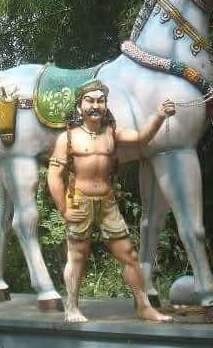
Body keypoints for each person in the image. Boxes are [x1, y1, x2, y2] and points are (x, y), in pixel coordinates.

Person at [47, 79, 175, 323]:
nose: (95, 105)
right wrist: (64, 209)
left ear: (106, 105)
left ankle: (144, 306)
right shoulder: (68, 138)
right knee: (77, 255)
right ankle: (72, 307)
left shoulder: (111, 132)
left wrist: (159, 116)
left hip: (107, 202)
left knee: (129, 255)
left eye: (100, 101)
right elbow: (54, 175)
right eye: (90, 101)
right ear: (80, 106)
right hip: (80, 202)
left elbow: (141, 138)